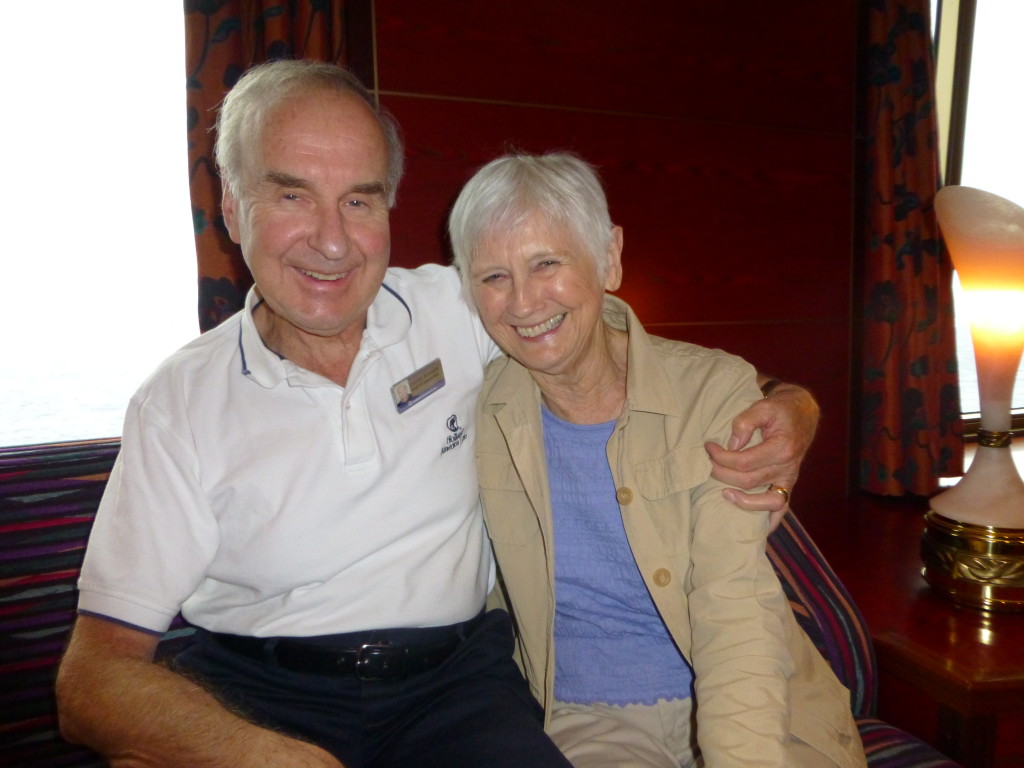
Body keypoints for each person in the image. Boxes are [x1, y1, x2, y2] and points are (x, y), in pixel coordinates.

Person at [54, 60, 817, 768]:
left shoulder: (461, 307)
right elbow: (91, 681)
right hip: (261, 695)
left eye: (359, 199)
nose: (330, 239)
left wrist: (792, 404)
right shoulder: (179, 402)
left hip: (456, 688)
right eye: (291, 195)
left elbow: (621, 350)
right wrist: (260, 756)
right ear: (229, 203)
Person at [449, 152, 866, 767]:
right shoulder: (472, 412)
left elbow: (735, 610)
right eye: (493, 277)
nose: (523, 303)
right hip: (589, 718)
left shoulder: (713, 392)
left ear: (609, 257)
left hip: (752, 693)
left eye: (547, 263)